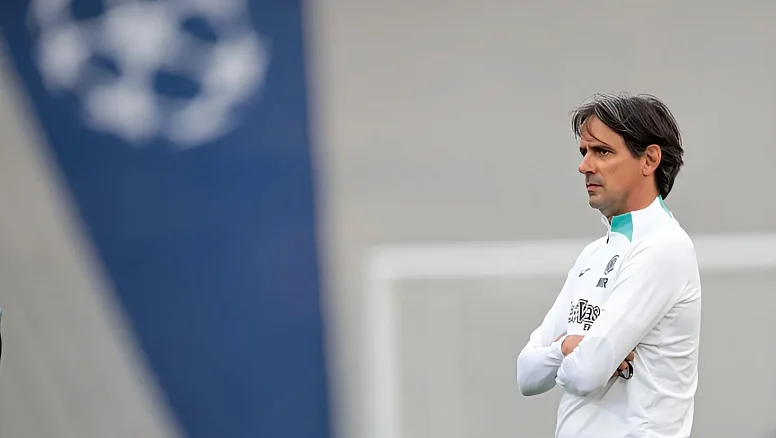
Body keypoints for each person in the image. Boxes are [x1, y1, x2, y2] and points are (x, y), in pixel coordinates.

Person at [515, 93, 701, 438]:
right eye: (584, 152)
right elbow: (526, 374)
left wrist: (572, 355)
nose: (585, 166)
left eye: (602, 151)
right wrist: (566, 348)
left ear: (650, 159)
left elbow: (585, 374)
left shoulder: (664, 247)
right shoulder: (592, 255)